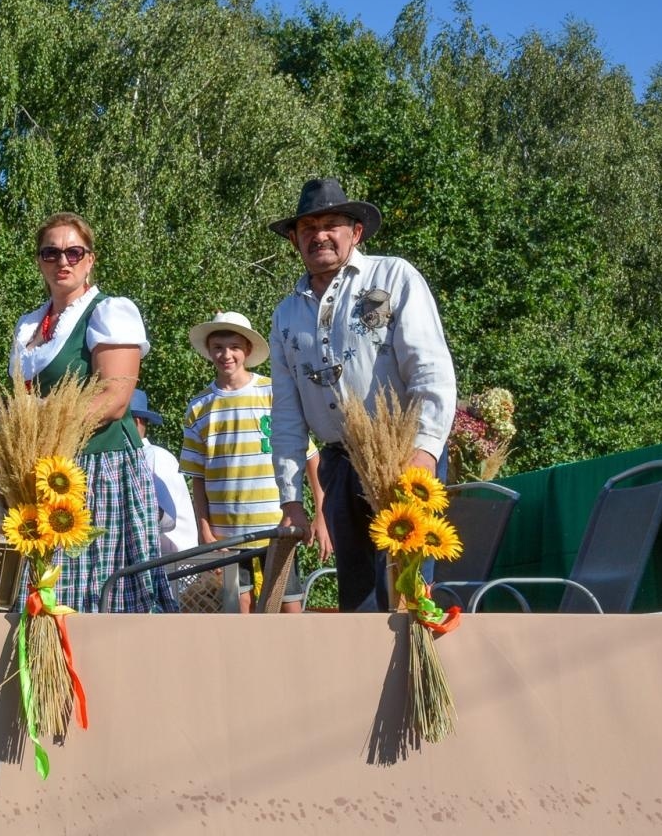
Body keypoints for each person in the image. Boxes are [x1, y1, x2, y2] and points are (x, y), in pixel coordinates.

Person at [0, 212, 177, 613]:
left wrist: (47, 428)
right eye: (51, 253)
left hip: (98, 472)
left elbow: (114, 400)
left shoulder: (109, 312)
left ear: (90, 260)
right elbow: (30, 403)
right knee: (44, 594)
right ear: (39, 261)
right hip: (41, 474)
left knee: (101, 596)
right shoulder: (30, 326)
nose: (63, 262)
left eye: (74, 252)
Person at [267, 178, 456, 612]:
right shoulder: (286, 314)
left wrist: (424, 452)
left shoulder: (393, 277)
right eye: (308, 227)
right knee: (359, 600)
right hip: (338, 465)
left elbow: (431, 371)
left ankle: (418, 678)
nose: (320, 235)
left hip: (402, 458)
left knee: (409, 595)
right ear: (295, 239)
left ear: (356, 232)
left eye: (332, 223)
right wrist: (291, 499)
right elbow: (287, 414)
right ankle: (370, 682)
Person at [180, 311, 326, 613]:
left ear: (247, 350)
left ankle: (293, 660)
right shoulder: (199, 407)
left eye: (234, 346)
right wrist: (203, 529)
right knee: (238, 606)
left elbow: (310, 456)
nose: (226, 354)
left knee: (288, 604)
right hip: (226, 531)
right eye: (218, 347)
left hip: (276, 522)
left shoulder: (274, 393)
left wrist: (321, 514)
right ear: (209, 351)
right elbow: (198, 477)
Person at [126, 389, 197, 557]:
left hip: (174, 565)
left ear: (135, 422)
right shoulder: (141, 457)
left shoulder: (155, 457)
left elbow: (164, 518)